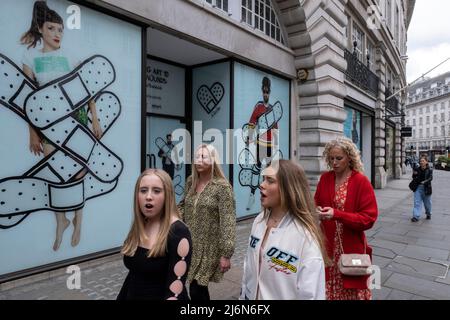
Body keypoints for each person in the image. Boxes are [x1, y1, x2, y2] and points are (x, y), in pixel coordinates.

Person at [20, 1, 102, 251]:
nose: (57, 34)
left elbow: (86, 90)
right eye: (52, 28)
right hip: (47, 121)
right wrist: (32, 134)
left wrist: (95, 119)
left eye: (60, 29)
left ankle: (78, 218)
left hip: (76, 118)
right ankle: (61, 220)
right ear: (41, 29)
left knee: (77, 172)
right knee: (54, 173)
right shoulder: (30, 57)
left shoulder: (71, 56)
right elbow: (28, 100)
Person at [240, 160, 327, 300]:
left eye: (270, 180)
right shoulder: (259, 220)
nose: (261, 185)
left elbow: (312, 293)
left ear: (288, 188)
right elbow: (247, 268)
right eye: (263, 179)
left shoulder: (305, 236)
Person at [314, 137, 378, 300]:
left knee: (350, 291)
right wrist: (317, 210)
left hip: (351, 249)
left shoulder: (360, 181)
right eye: (331, 158)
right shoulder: (325, 178)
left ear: (349, 157)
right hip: (327, 249)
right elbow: (316, 203)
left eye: (338, 158)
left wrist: (337, 214)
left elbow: (368, 218)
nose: (334, 162)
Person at [117, 169, 192, 300]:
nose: (148, 196)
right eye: (143, 190)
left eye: (156, 191)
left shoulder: (178, 232)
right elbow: (134, 275)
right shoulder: (141, 224)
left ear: (167, 195)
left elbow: (175, 292)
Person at [178, 144, 236, 301]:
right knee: (190, 286)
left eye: (203, 157)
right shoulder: (191, 181)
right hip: (190, 244)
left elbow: (228, 221)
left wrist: (226, 254)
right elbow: (183, 205)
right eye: (196, 156)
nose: (198, 160)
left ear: (213, 161)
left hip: (210, 247)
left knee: (197, 287)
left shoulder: (222, 187)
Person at [244, 76, 280, 210]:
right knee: (257, 168)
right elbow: (252, 122)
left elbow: (276, 127)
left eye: (267, 92)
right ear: (262, 92)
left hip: (271, 144)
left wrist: (276, 144)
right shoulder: (258, 107)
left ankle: (270, 197)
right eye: (264, 92)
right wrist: (249, 138)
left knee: (270, 171)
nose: (266, 94)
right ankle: (252, 195)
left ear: (269, 93)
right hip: (261, 143)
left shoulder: (272, 108)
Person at [410, 155, 433, 222]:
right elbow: (414, 177)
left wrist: (424, 182)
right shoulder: (417, 169)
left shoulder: (430, 169)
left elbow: (431, 178)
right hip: (418, 188)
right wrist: (414, 174)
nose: (421, 162)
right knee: (417, 202)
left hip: (426, 188)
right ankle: (416, 216)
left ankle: (428, 213)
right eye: (420, 161)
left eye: (423, 161)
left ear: (426, 162)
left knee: (427, 203)